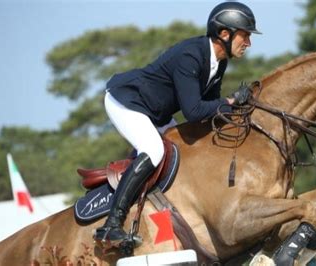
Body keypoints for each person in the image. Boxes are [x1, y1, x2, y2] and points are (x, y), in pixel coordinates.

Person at [93, 1, 262, 249]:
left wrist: (235, 111)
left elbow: (209, 108)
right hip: (127, 101)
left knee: (181, 152)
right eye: (245, 35)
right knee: (154, 150)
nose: (248, 43)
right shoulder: (191, 55)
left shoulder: (220, 62)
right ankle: (111, 225)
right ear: (224, 34)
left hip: (156, 112)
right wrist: (231, 102)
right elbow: (194, 111)